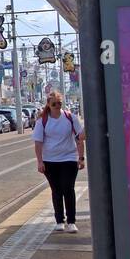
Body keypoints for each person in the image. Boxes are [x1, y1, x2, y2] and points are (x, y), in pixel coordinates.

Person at [32, 89, 85, 232]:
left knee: (68, 188)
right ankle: (59, 220)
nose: (57, 106)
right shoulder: (42, 121)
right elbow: (38, 143)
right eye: (54, 103)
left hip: (68, 158)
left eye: (59, 103)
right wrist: (40, 161)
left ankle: (71, 221)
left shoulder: (70, 117)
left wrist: (81, 158)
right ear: (48, 104)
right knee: (56, 190)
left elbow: (80, 138)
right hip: (50, 160)